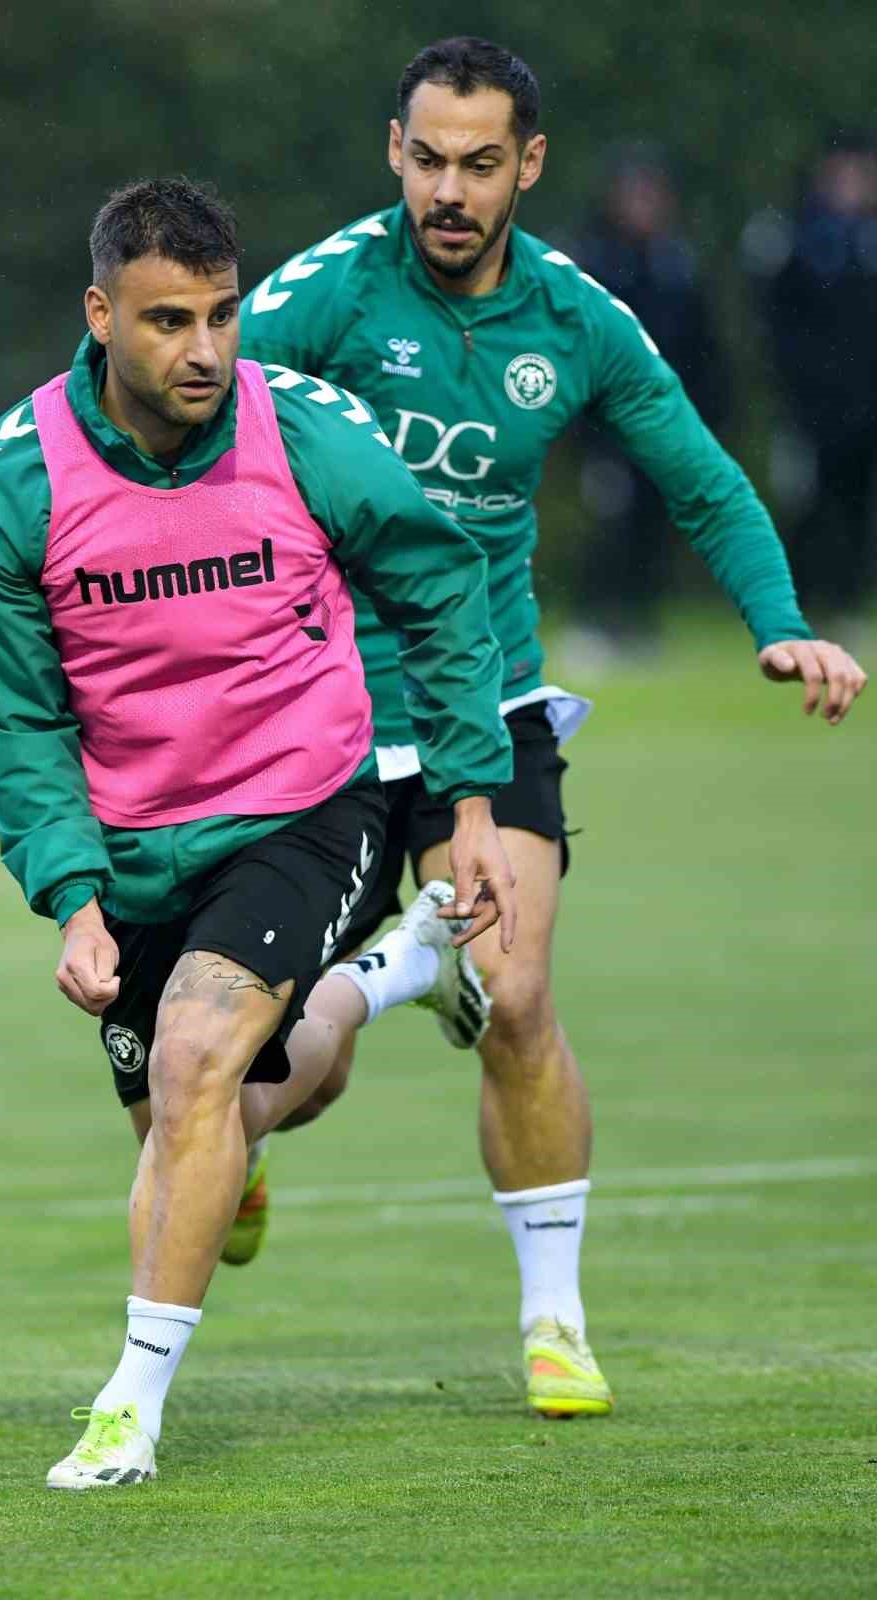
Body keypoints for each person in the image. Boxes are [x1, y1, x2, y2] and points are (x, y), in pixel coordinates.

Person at [235, 36, 867, 1420]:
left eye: (479, 164)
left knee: (515, 993)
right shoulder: (321, 295)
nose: (448, 191)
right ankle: (250, 1139)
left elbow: (700, 476)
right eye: (426, 159)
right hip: (321, 714)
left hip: (492, 703)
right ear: (392, 151)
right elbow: (187, 425)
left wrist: (777, 619)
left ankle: (555, 1323)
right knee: (285, 1057)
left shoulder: (578, 319)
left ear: (527, 165)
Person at [0, 177, 517, 1488]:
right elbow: (16, 720)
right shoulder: (8, 486)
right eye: (167, 321)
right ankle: (392, 975)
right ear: (100, 316)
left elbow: (438, 586)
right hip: (137, 845)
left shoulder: (305, 429)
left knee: (199, 1057)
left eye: (222, 314)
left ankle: (127, 1412)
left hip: (309, 802)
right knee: (216, 1112)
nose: (203, 349)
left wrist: (468, 798)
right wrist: (72, 897)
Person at [564, 147, 731, 662]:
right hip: (608, 426)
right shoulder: (593, 265)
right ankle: (596, 621)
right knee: (611, 521)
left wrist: (706, 415)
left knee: (652, 527)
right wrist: (584, 432)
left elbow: (701, 350)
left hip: (662, 423)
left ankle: (640, 623)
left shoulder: (676, 265)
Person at [743, 130, 877, 621]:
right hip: (809, 407)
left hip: (865, 403)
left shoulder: (867, 241)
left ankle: (846, 602)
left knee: (855, 505)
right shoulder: (794, 240)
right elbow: (776, 326)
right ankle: (794, 604)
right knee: (805, 506)